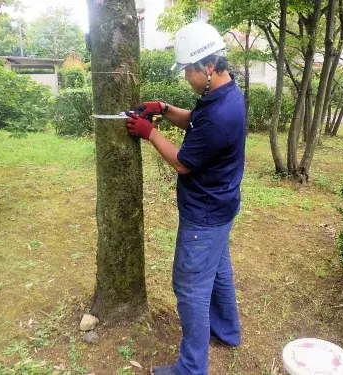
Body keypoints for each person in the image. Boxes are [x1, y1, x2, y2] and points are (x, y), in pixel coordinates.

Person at [126, 21, 246, 375]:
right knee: (219, 270)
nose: (187, 79)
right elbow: (197, 121)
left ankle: (192, 368)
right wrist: (164, 108)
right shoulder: (224, 95)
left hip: (205, 213)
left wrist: (149, 133)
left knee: (190, 285)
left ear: (209, 66)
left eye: (189, 72)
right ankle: (227, 332)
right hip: (222, 206)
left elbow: (183, 163)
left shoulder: (220, 112)